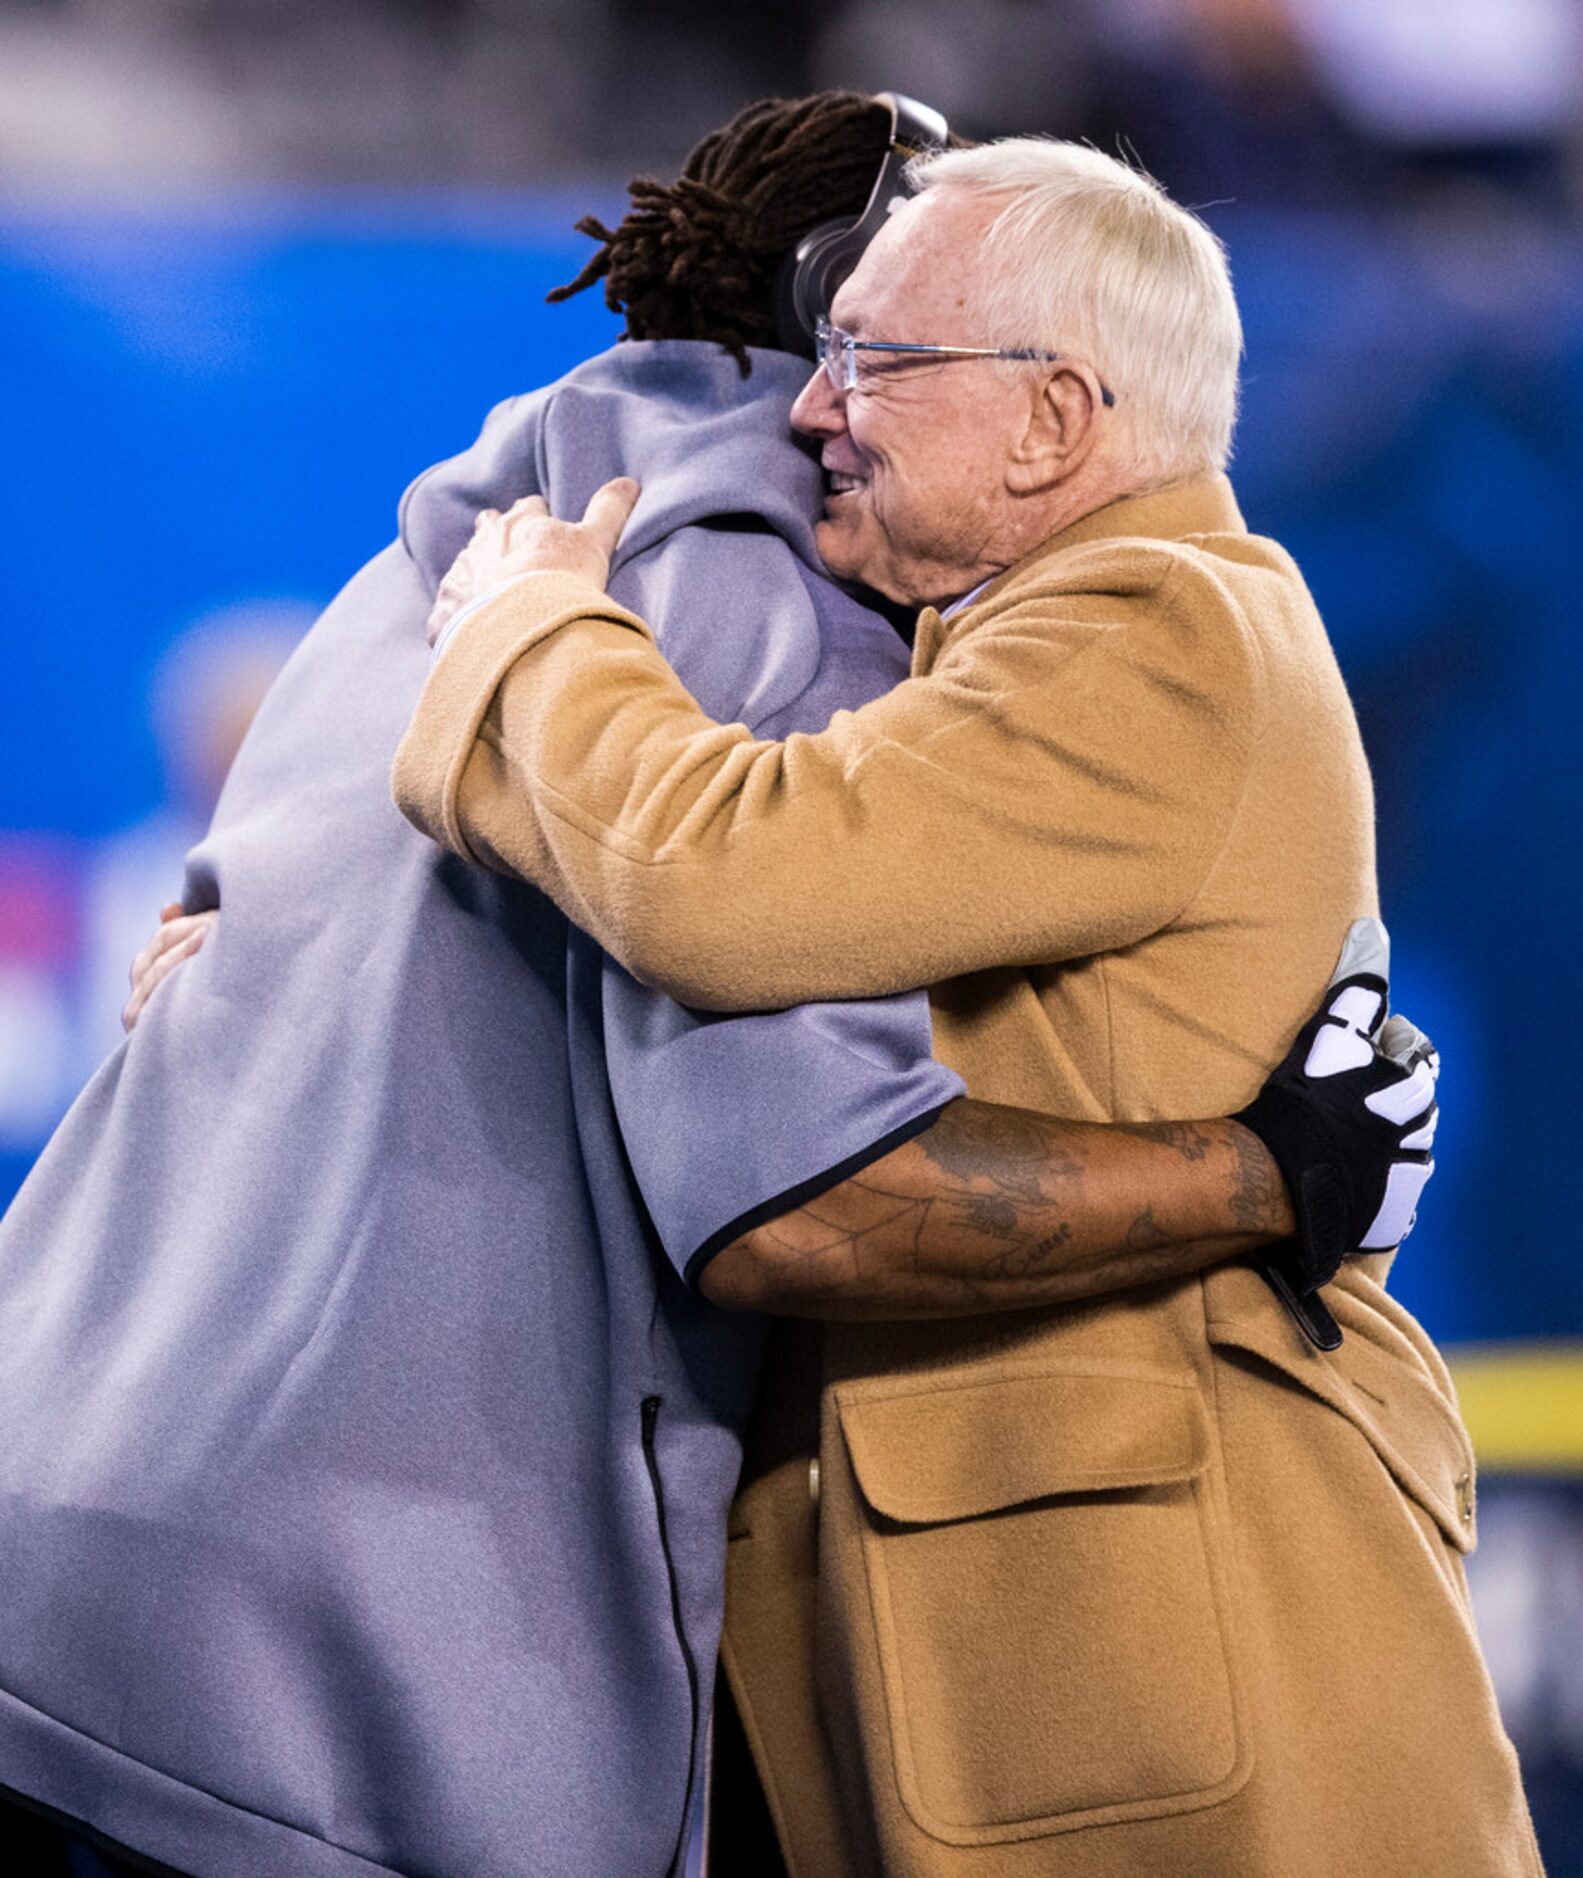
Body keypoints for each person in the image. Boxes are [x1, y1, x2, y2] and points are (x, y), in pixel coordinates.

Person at [0, 96, 1434, 1878]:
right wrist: (1267, 1170)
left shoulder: (419, 569)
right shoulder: (733, 622)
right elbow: (798, 1200)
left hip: (51, 1558)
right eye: (851, 341)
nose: (836, 408)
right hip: (323, 1701)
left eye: (887, 359)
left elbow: (203, 938)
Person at [391, 136, 1541, 1874]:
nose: (809, 410)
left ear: (1054, 422)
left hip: (1191, 1677)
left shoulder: (1160, 625)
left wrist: (533, 639)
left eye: (874, 358)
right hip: (1093, 1680)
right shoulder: (1041, 637)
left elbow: (728, 880)